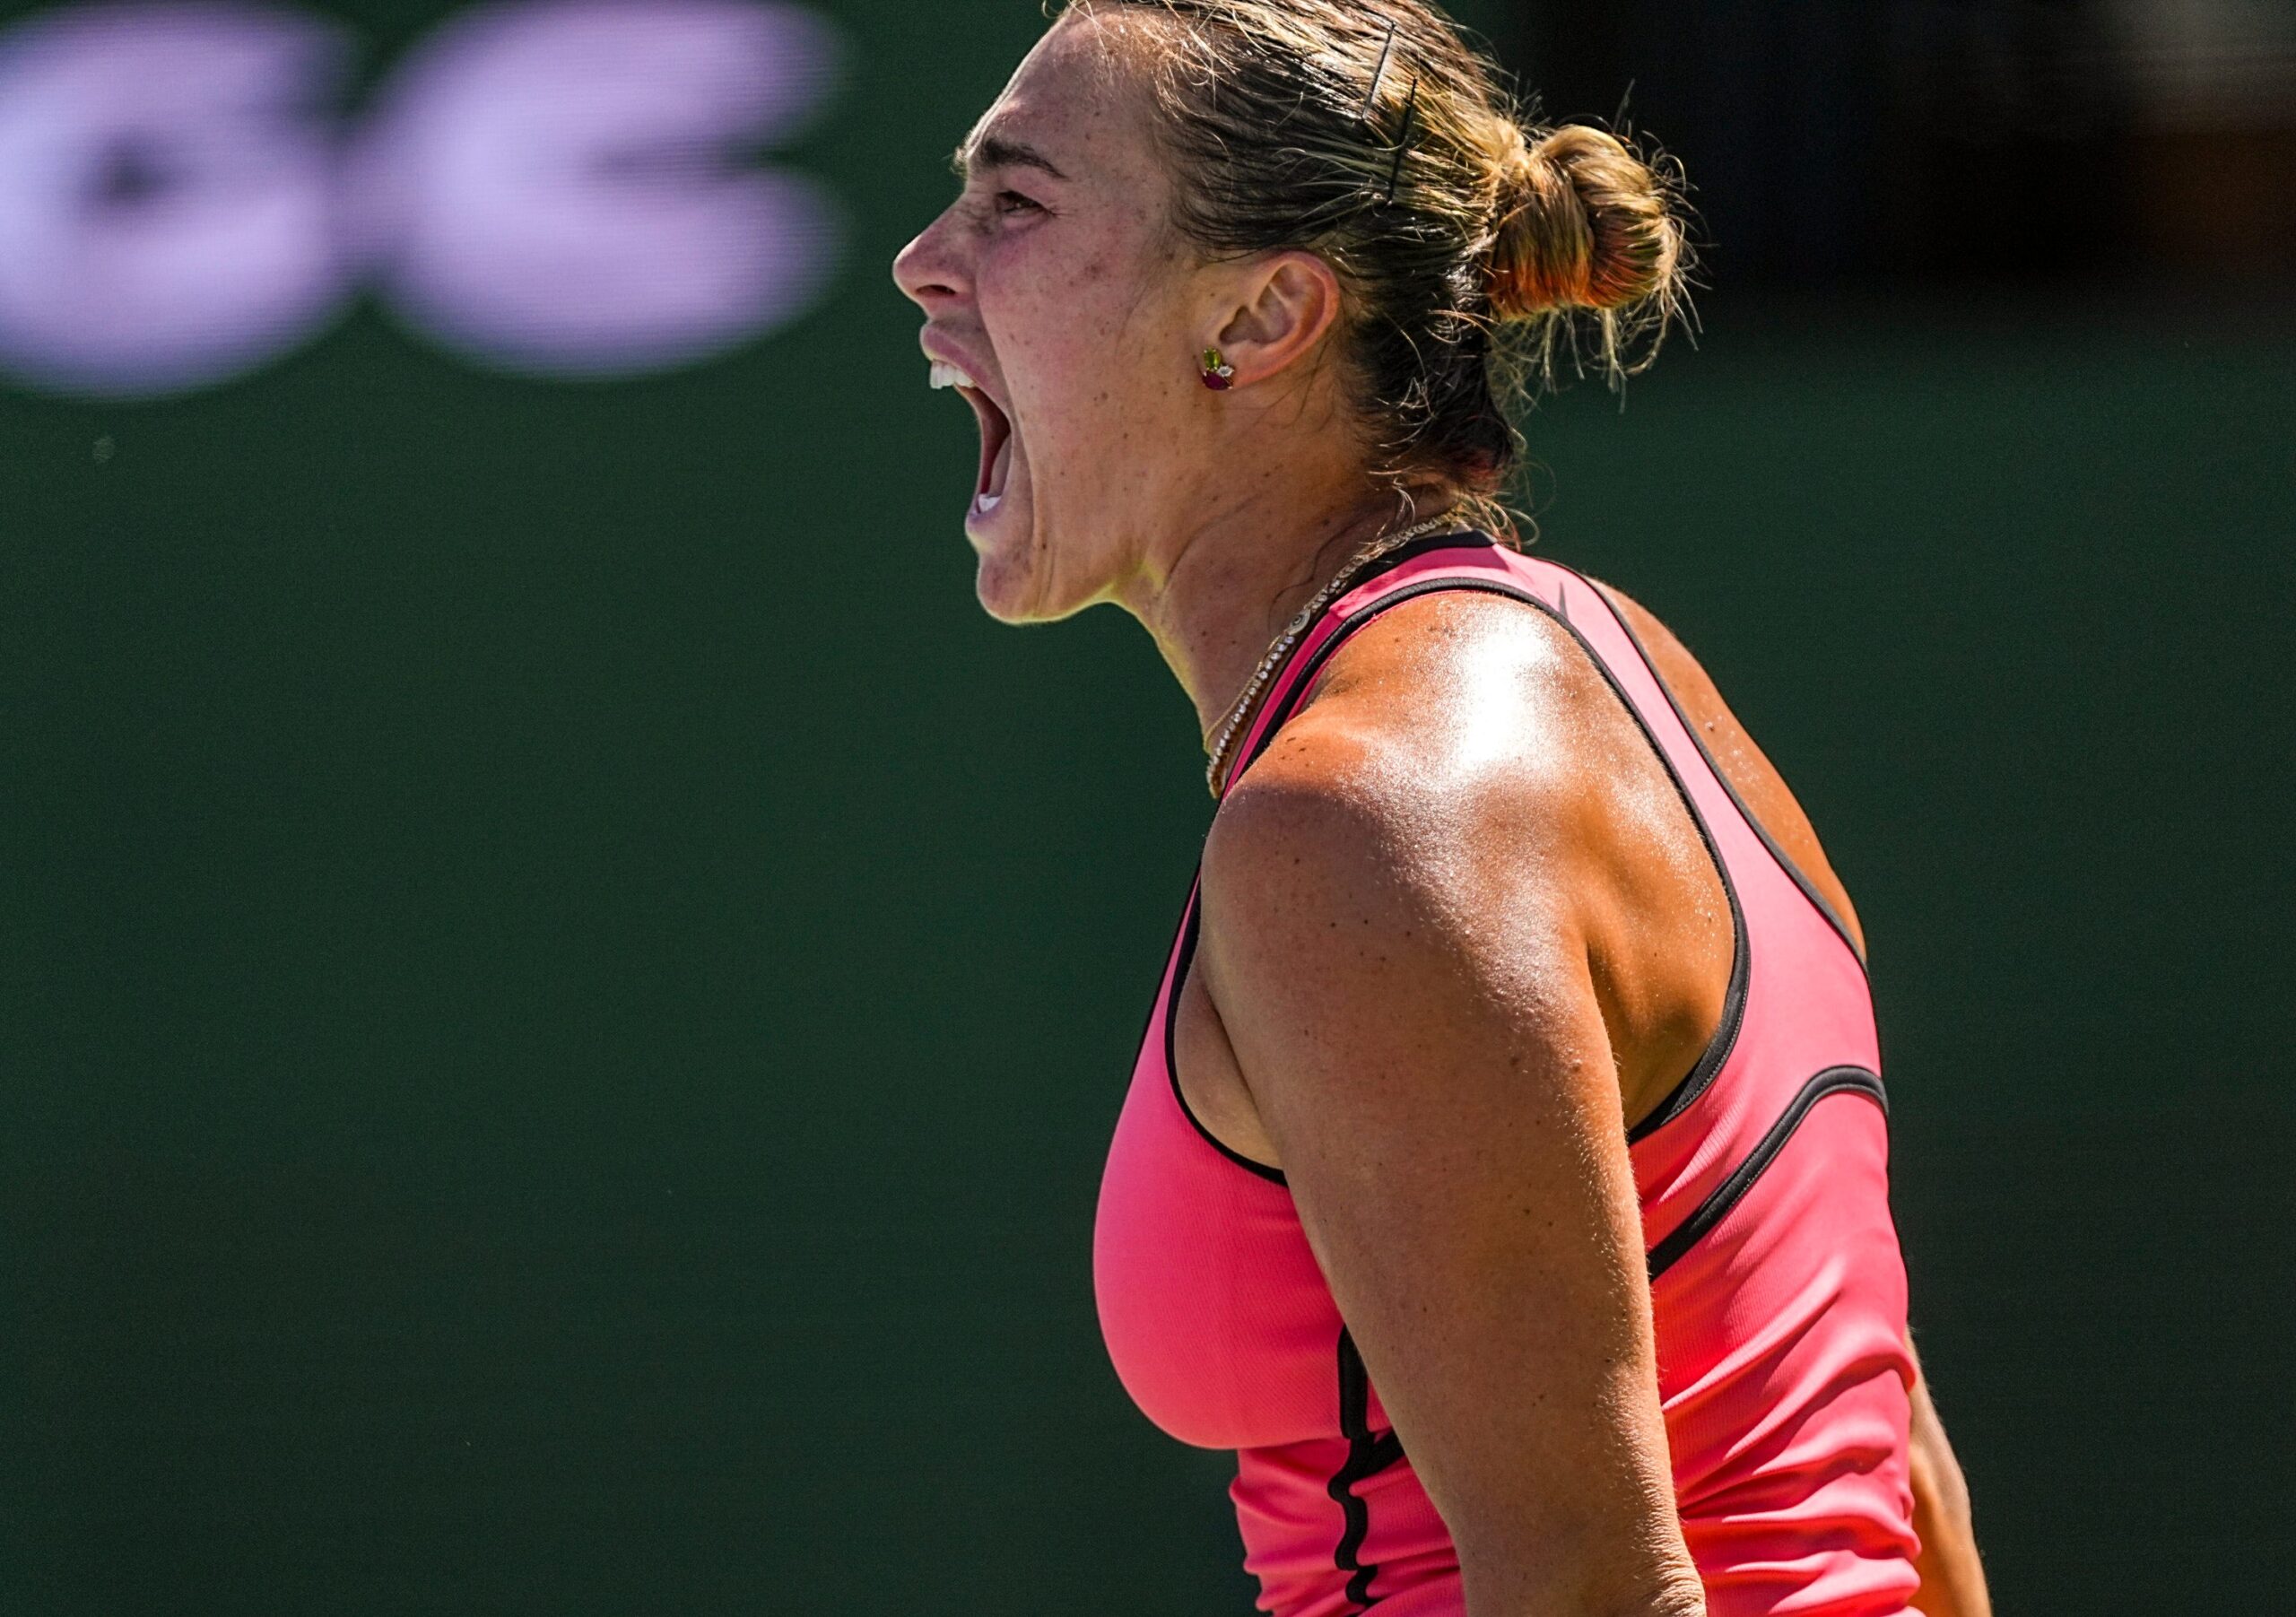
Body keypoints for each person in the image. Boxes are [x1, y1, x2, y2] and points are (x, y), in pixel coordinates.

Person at [892, 4, 1991, 1614]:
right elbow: (1895, 1464)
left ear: (1264, 313)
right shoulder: (1635, 684)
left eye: (1017, 203)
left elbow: (1596, 1589)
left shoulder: (1360, 825)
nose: (927, 259)